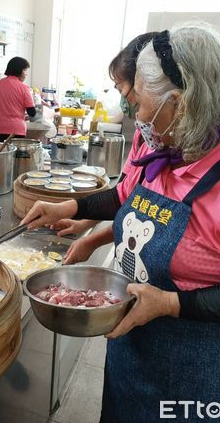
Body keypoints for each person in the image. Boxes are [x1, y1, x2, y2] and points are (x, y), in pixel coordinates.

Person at [21, 24, 220, 423]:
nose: (137, 117)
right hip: (134, 357)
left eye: (141, 104)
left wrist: (171, 303)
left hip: (202, 378)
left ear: (183, 103)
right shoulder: (169, 151)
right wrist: (70, 206)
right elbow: (127, 196)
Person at [51, 32, 157, 264]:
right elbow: (123, 192)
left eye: (122, 89)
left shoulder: (165, 141)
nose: (125, 98)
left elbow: (146, 215)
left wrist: (93, 239)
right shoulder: (145, 131)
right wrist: (83, 218)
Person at [0, 57, 36, 143]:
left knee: (3, 154)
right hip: (17, 130)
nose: (26, 74)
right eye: (25, 70)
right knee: (15, 155)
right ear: (19, 70)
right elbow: (32, 113)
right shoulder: (24, 88)